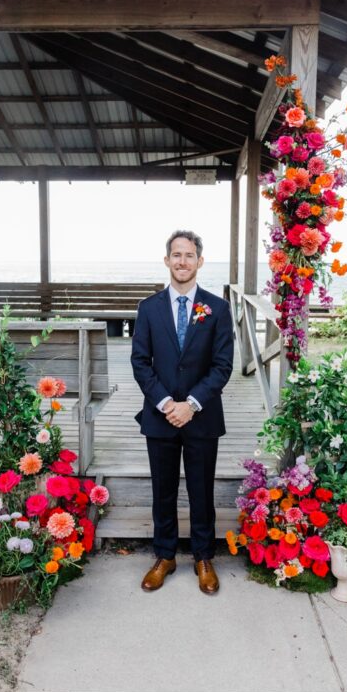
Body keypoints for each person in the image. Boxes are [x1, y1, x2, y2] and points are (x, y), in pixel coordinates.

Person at [131, 230, 234, 595]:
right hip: (159, 417)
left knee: (201, 490)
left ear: (200, 261)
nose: (182, 261)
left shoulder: (217, 309)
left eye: (189, 255)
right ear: (167, 260)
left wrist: (190, 405)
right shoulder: (148, 308)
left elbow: (222, 366)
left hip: (201, 417)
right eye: (176, 255)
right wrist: (165, 404)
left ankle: (203, 558)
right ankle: (165, 556)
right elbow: (141, 362)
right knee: (163, 491)